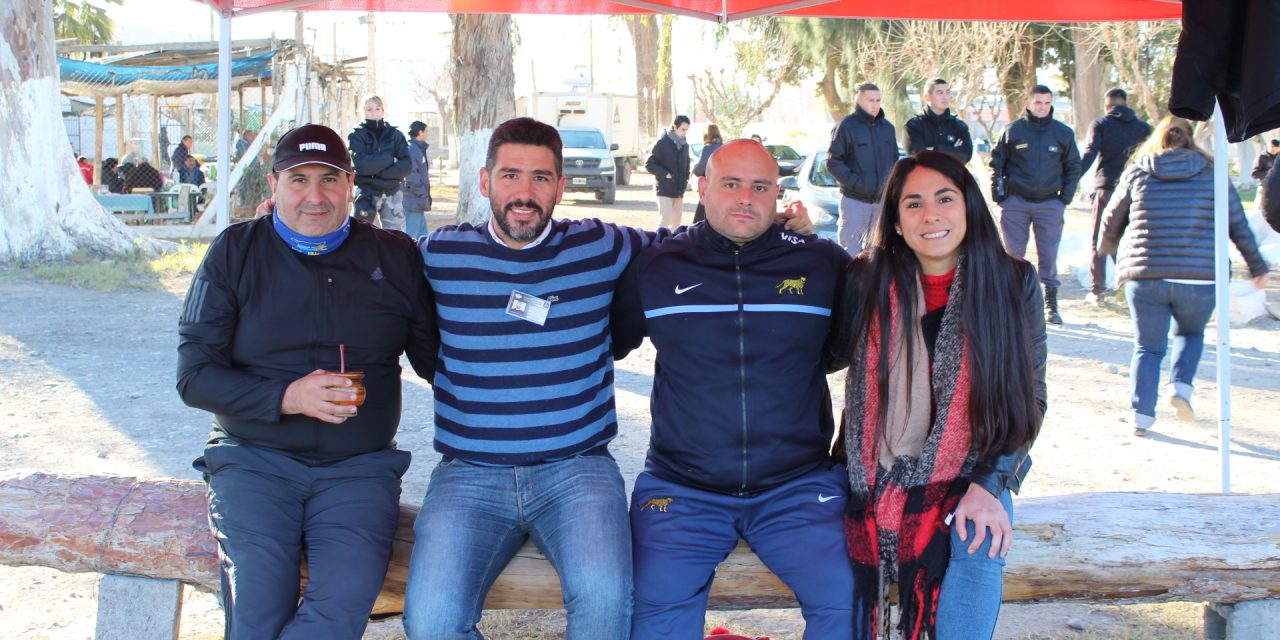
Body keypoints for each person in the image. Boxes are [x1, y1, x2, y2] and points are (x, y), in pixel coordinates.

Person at [401, 117, 812, 639]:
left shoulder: (600, 245)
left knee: (605, 603)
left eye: (541, 178)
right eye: (510, 176)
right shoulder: (439, 253)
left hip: (576, 472)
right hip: (469, 475)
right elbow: (367, 260)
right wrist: (276, 224)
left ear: (560, 186)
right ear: (485, 182)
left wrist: (776, 222)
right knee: (432, 622)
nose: (525, 193)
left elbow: (696, 239)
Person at [176, 123, 439, 639]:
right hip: (254, 463)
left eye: (329, 179)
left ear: (349, 185)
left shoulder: (395, 256)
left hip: (358, 471)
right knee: (257, 612)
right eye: (298, 180)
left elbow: (437, 362)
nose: (314, 196)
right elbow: (194, 377)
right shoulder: (236, 251)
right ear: (273, 187)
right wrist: (287, 397)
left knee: (340, 610)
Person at [611, 139, 854, 639]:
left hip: (798, 485)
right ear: (702, 189)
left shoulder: (822, 263)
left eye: (760, 187)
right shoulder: (658, 263)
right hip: (682, 487)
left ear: (778, 195)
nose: (745, 197)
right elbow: (604, 340)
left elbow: (850, 348)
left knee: (849, 604)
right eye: (731, 184)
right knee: (652, 618)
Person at [827, 150, 1047, 640]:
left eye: (945, 198)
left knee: (978, 545)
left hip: (976, 463)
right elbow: (823, 355)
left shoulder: (1013, 284)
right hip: (872, 467)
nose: (931, 215)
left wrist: (989, 485)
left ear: (968, 205)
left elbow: (1033, 400)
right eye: (914, 204)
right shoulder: (865, 280)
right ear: (897, 221)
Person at [1098, 116, 1270, 435]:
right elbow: (1238, 225)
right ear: (1192, 138)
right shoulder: (1212, 172)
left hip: (1146, 274)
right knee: (1190, 334)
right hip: (1200, 277)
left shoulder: (1138, 169)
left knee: (1148, 348)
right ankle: (1180, 387)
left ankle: (1141, 416)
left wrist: (1106, 250)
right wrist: (1257, 267)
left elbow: (1110, 220)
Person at [989, 84, 1082, 325]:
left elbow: (1073, 167)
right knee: (1014, 256)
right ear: (1028, 103)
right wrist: (1000, 196)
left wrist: (1064, 199)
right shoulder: (1013, 131)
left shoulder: (1063, 133)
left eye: (1047, 103)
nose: (1042, 107)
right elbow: (997, 163)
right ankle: (1012, 304)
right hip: (1016, 202)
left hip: (1050, 203)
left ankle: (1050, 304)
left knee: (1048, 256)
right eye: (1038, 102)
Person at [1079, 89, 1154, 306]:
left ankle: (1098, 290)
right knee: (1132, 239)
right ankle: (1128, 285)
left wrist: (1071, 178)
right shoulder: (1143, 128)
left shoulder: (1101, 124)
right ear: (1126, 104)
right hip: (1137, 190)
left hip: (1107, 187)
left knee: (1099, 239)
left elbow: (1091, 153)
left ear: (1107, 106)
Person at [827, 82, 899, 252]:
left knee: (879, 253)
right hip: (855, 202)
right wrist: (858, 185)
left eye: (878, 100)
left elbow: (895, 161)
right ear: (859, 101)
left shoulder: (888, 128)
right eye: (870, 100)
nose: (875, 105)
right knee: (850, 253)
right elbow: (833, 162)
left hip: (882, 203)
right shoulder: (846, 127)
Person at [349, 95, 411, 232]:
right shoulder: (356, 135)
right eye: (369, 109)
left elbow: (406, 166)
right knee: (358, 236)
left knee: (396, 239)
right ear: (363, 111)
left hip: (392, 192)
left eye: (377, 108)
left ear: (383, 111)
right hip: (366, 193)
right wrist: (390, 159)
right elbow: (362, 166)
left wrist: (381, 172)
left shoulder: (395, 135)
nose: (374, 112)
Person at [905, 78, 974, 165]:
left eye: (947, 92)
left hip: (951, 177)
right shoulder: (914, 126)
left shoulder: (959, 126)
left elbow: (966, 155)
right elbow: (918, 158)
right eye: (940, 93)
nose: (945, 97)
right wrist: (952, 150)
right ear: (927, 97)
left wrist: (935, 149)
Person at [645, 115, 692, 229]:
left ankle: (673, 246)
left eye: (687, 130)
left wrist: (685, 181)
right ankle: (656, 244)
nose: (685, 132)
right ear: (674, 127)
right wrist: (666, 174)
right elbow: (649, 164)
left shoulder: (685, 146)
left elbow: (687, 166)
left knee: (676, 223)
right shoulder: (662, 143)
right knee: (665, 219)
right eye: (683, 129)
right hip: (664, 189)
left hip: (679, 191)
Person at [402, 120, 433, 239]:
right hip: (412, 201)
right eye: (426, 131)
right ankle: (407, 258)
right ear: (420, 132)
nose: (427, 133)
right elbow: (411, 179)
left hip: (417, 202)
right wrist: (423, 195)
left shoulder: (418, 149)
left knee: (423, 237)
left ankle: (421, 257)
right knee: (412, 238)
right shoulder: (411, 150)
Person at [691, 123, 723, 224]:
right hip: (725, 188)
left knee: (700, 222)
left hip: (710, 188)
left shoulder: (707, 148)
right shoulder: (725, 148)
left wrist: (694, 168)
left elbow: (699, 170)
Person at [1251, 138, 1278, 208]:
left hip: (1277, 188)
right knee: (1258, 209)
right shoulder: (1261, 158)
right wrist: (1270, 173)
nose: (1274, 149)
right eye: (1272, 147)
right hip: (1264, 187)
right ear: (1268, 147)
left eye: (1276, 147)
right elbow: (1254, 174)